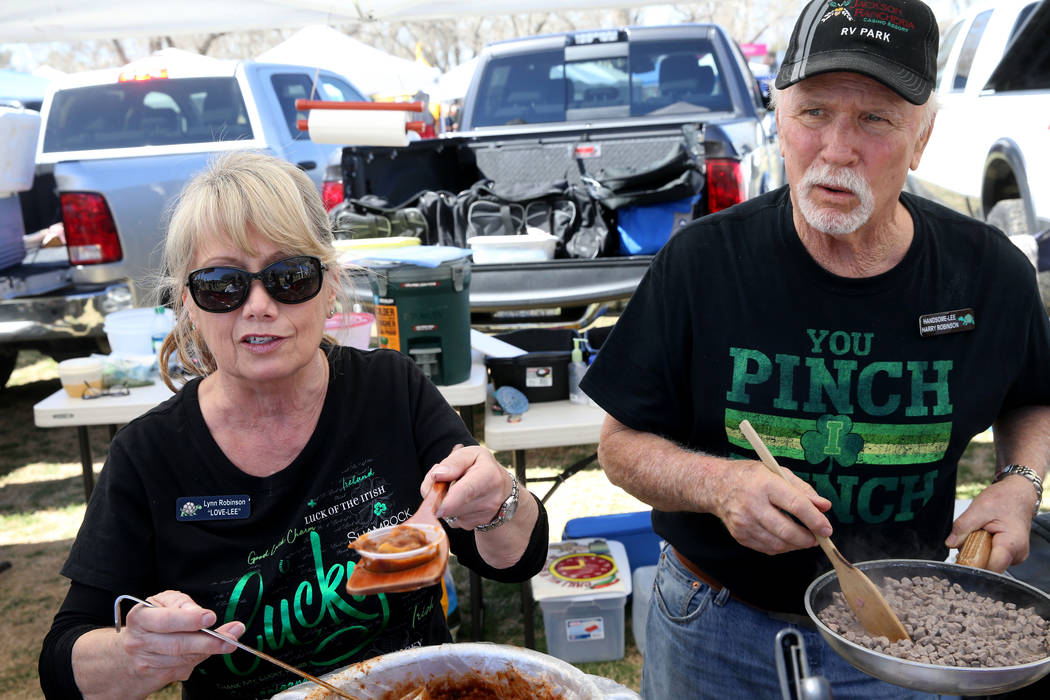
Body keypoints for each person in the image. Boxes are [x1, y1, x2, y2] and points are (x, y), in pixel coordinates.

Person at [580, 0, 1050, 697]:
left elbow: (1031, 398)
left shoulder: (988, 275)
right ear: (778, 118)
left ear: (921, 139)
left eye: (875, 119)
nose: (837, 150)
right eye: (813, 113)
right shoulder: (703, 263)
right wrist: (720, 486)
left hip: (903, 637)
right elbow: (619, 445)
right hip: (716, 622)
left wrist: (1021, 485)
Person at [39, 151, 548, 699]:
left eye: (289, 276)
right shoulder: (150, 454)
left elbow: (516, 559)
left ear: (330, 286)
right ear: (187, 302)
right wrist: (135, 652)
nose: (258, 305)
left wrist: (500, 503)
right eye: (222, 284)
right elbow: (63, 667)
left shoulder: (390, 393)